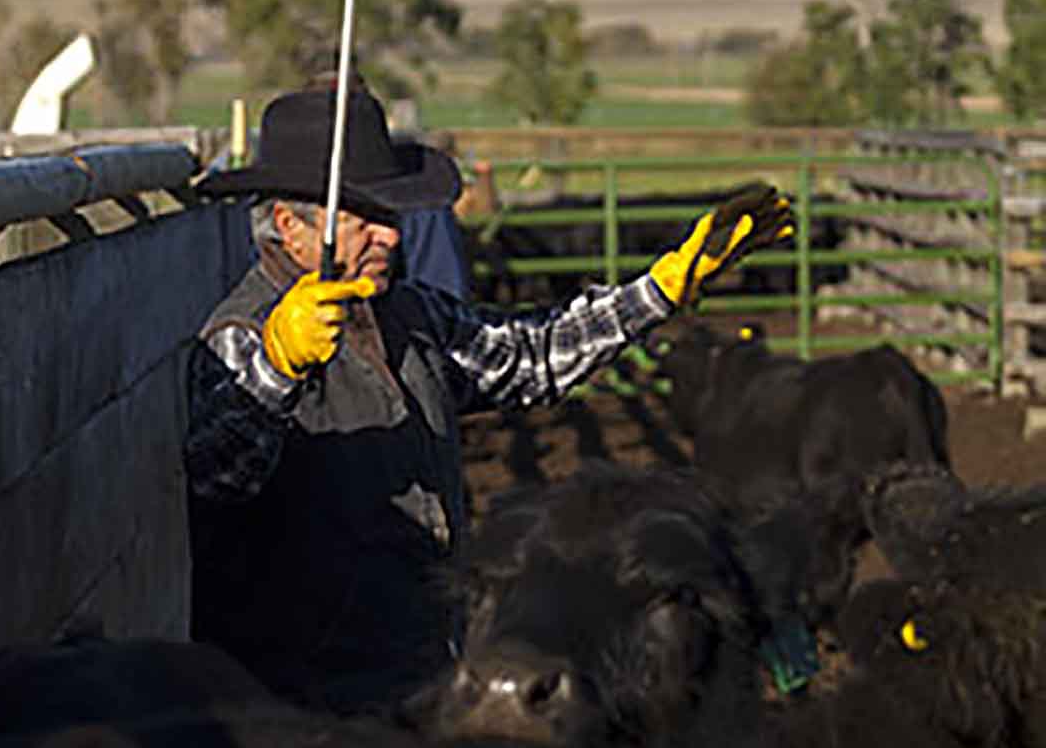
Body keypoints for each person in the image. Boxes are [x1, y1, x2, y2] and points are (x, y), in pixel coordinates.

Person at [186, 82, 792, 714]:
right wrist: (277, 370)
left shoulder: (409, 314)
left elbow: (530, 355)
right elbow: (213, 476)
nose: (391, 238)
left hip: (418, 664)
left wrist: (658, 291)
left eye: (391, 218)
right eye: (365, 219)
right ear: (290, 226)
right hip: (293, 690)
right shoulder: (242, 335)